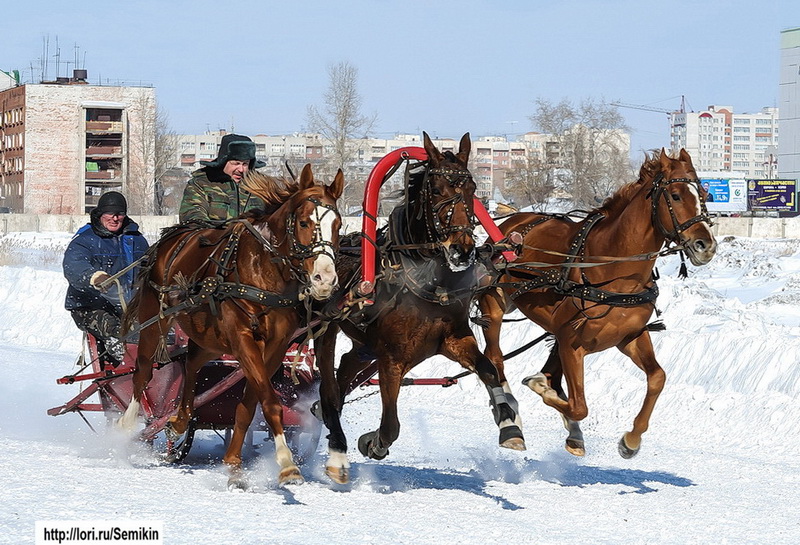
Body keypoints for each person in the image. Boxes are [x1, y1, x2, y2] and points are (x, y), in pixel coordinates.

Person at [63, 191, 149, 364]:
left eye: (120, 213)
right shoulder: (85, 240)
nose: (115, 218)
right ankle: (123, 369)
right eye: (110, 213)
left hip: (127, 306)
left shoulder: (137, 240)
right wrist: (95, 277)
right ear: (100, 214)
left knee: (156, 329)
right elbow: (74, 265)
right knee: (121, 332)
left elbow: (149, 270)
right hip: (89, 307)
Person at [179, 133, 267, 223]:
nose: (241, 169)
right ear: (223, 162)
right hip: (213, 236)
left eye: (245, 164)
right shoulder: (201, 184)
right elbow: (192, 217)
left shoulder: (261, 186)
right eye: (236, 163)